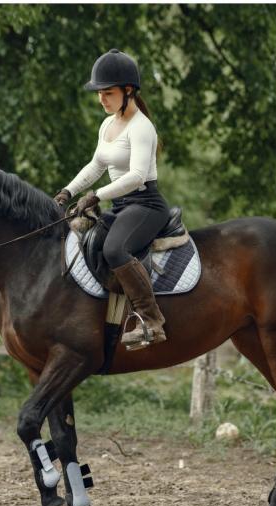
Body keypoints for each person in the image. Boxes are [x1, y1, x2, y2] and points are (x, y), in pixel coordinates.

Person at [54, 48, 170, 350]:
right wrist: (68, 191)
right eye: (99, 93)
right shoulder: (108, 124)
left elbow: (136, 176)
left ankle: (151, 320)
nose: (101, 99)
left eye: (107, 93)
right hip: (120, 205)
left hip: (145, 204)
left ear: (128, 90)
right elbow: (96, 165)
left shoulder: (142, 127)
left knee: (115, 249)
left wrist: (95, 196)